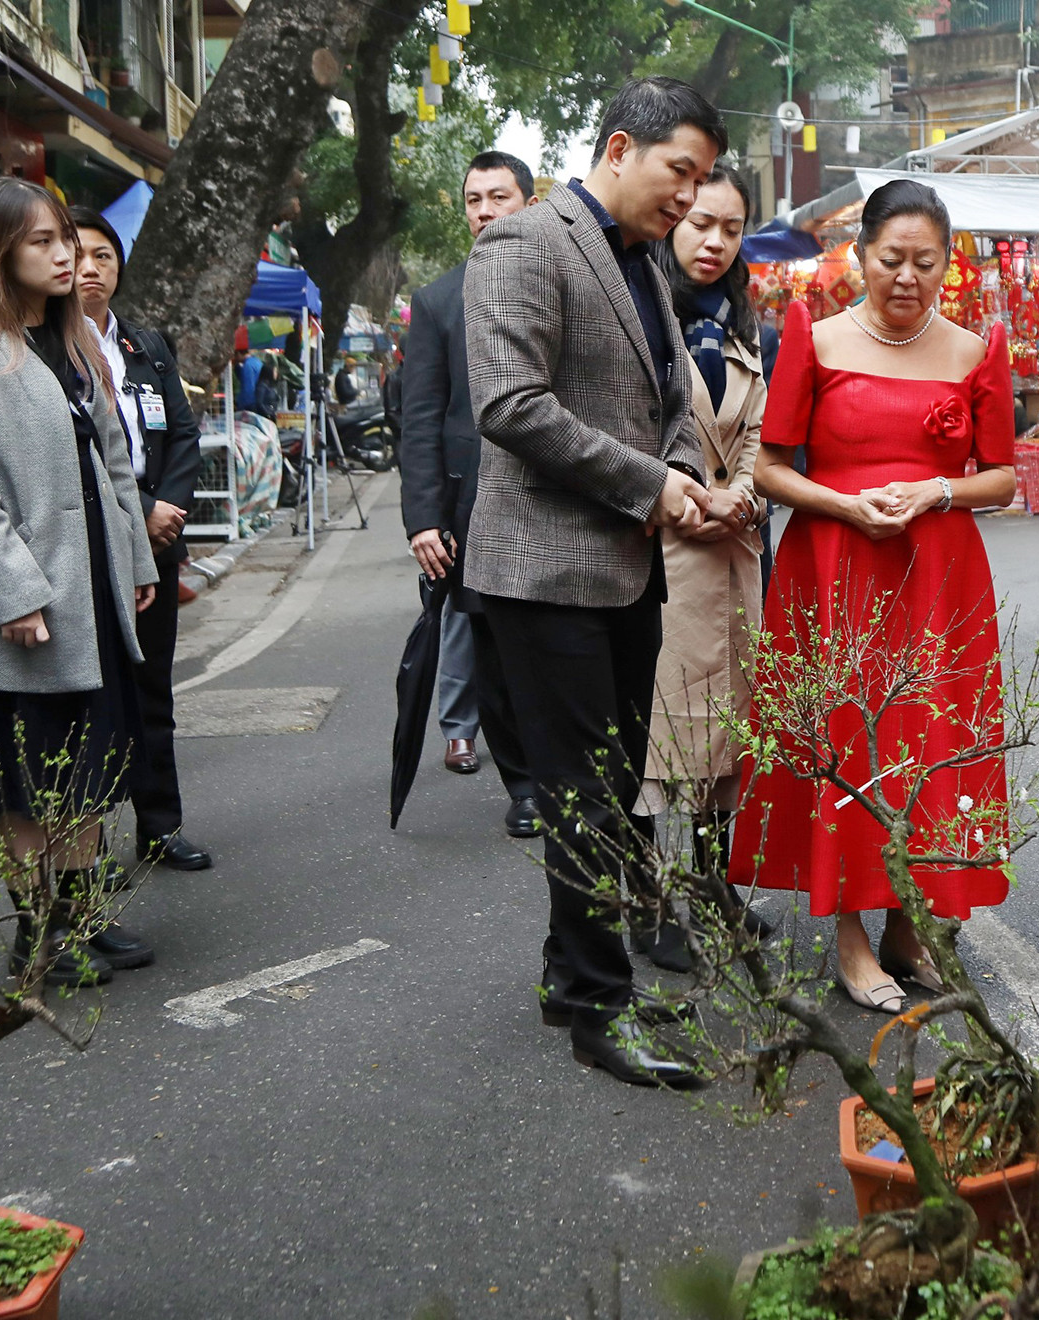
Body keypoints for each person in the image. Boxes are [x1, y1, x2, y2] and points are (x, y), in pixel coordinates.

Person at [463, 76, 723, 1090]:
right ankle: (598, 1010)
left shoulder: (641, 259)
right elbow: (512, 404)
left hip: (624, 567)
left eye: (701, 181)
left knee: (612, 783)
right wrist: (653, 485)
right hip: (546, 571)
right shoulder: (525, 242)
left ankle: (573, 979)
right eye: (680, 174)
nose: (688, 201)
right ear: (621, 147)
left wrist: (687, 471)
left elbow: (667, 396)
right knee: (584, 796)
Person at [730, 179, 1017, 1015]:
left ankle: (903, 924)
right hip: (832, 570)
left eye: (925, 263)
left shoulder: (974, 350)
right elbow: (770, 468)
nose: (906, 277)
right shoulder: (812, 341)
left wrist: (936, 493)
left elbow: (999, 478)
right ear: (858, 257)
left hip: (938, 577)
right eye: (890, 259)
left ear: (948, 266)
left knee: (925, 741)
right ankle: (850, 934)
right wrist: (845, 504)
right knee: (845, 739)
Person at [0, 177, 160, 985]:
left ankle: (78, 915)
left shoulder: (75, 342)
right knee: (26, 775)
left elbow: (115, 466)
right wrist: (16, 592)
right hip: (21, 600)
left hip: (87, 586)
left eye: (67, 238)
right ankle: (39, 935)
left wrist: (134, 563)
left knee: (88, 764)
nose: (66, 256)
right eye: (43, 242)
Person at [629, 159, 773, 971]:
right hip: (661, 556)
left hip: (733, 560)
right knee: (658, 740)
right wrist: (684, 497)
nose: (714, 242)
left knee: (727, 738)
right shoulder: (641, 314)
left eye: (730, 227)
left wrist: (745, 495)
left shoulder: (746, 321)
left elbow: (755, 435)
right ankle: (650, 905)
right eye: (699, 224)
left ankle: (717, 890)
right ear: (673, 220)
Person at [400, 150, 542, 839]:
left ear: (529, 203)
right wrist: (425, 519)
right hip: (474, 511)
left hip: (559, 502)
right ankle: (523, 786)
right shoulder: (435, 302)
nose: (485, 211)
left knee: (557, 650)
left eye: (499, 197)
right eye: (474, 200)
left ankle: (569, 773)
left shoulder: (563, 282)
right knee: (491, 650)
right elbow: (421, 418)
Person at [70, 206, 214, 874]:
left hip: (158, 546)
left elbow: (182, 432)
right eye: (77, 254)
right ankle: (82, 845)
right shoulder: (46, 348)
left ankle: (160, 824)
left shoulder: (146, 345)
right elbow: (85, 457)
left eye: (103, 255)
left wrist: (171, 507)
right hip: (97, 549)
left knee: (155, 692)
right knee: (94, 700)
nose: (90, 268)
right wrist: (142, 509)